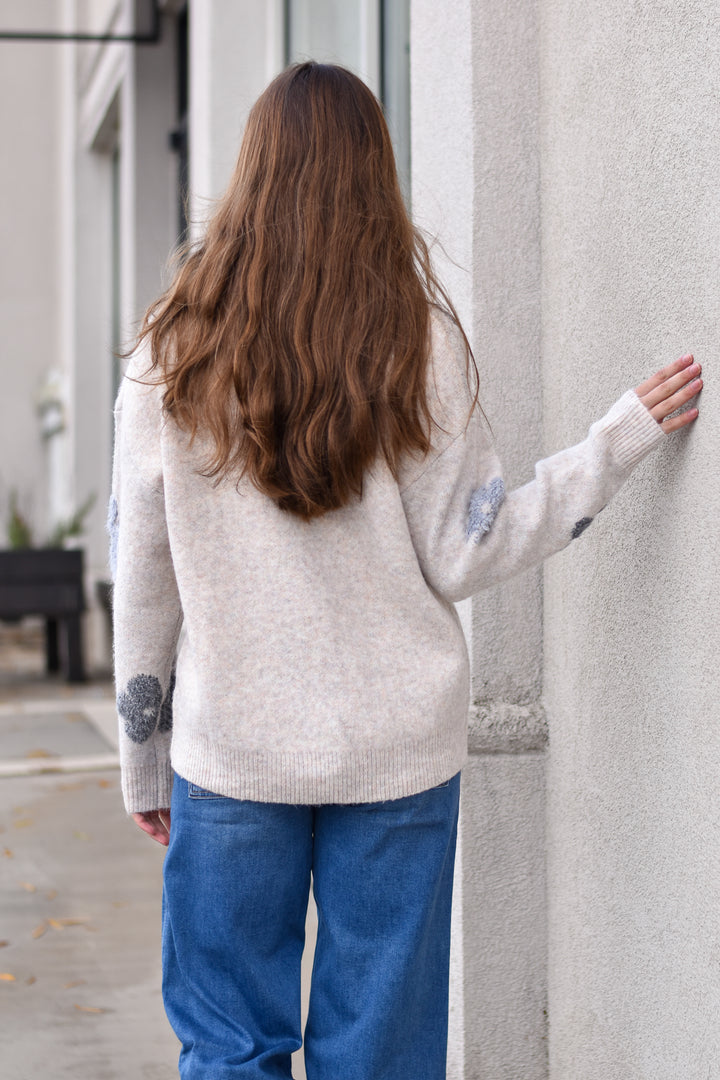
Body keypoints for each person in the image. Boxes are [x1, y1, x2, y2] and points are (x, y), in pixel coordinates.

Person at [109, 61, 701, 1080]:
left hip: (233, 752)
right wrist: (620, 437)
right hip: (399, 754)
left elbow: (143, 572)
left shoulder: (170, 356)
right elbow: (476, 544)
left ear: (252, 176)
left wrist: (143, 757)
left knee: (228, 1046)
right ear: (372, 179)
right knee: (380, 1054)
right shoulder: (418, 342)